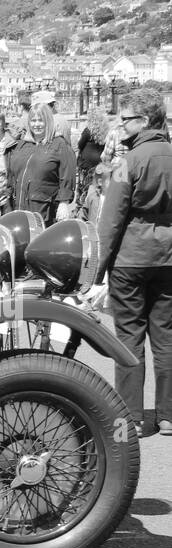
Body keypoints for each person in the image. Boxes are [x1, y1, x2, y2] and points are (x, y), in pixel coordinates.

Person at [92, 89, 172, 437]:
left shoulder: (129, 161)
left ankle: (132, 416)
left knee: (128, 338)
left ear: (145, 120)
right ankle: (168, 416)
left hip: (130, 259)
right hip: (168, 258)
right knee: (166, 337)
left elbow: (111, 221)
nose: (121, 124)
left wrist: (96, 269)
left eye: (126, 118)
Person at [8, 103, 75, 225]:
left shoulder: (59, 144)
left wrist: (63, 203)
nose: (36, 124)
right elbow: (12, 175)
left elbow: (67, 175)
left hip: (44, 209)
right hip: (19, 206)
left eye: (41, 120)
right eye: (33, 120)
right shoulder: (22, 145)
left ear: (48, 121)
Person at [76, 108, 108, 218]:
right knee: (95, 186)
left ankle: (81, 208)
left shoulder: (88, 130)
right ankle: (94, 208)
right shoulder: (106, 130)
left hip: (86, 163)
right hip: (99, 162)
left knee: (83, 187)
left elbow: (80, 144)